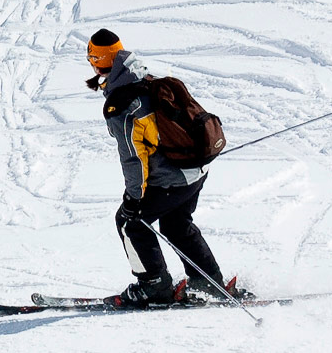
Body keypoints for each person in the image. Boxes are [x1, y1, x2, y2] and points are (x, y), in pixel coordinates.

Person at [86, 29, 249, 305]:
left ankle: (153, 285)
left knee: (130, 222)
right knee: (176, 224)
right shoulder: (145, 79)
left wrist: (133, 199)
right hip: (195, 170)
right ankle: (208, 282)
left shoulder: (123, 105)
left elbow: (134, 158)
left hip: (173, 177)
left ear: (97, 61)